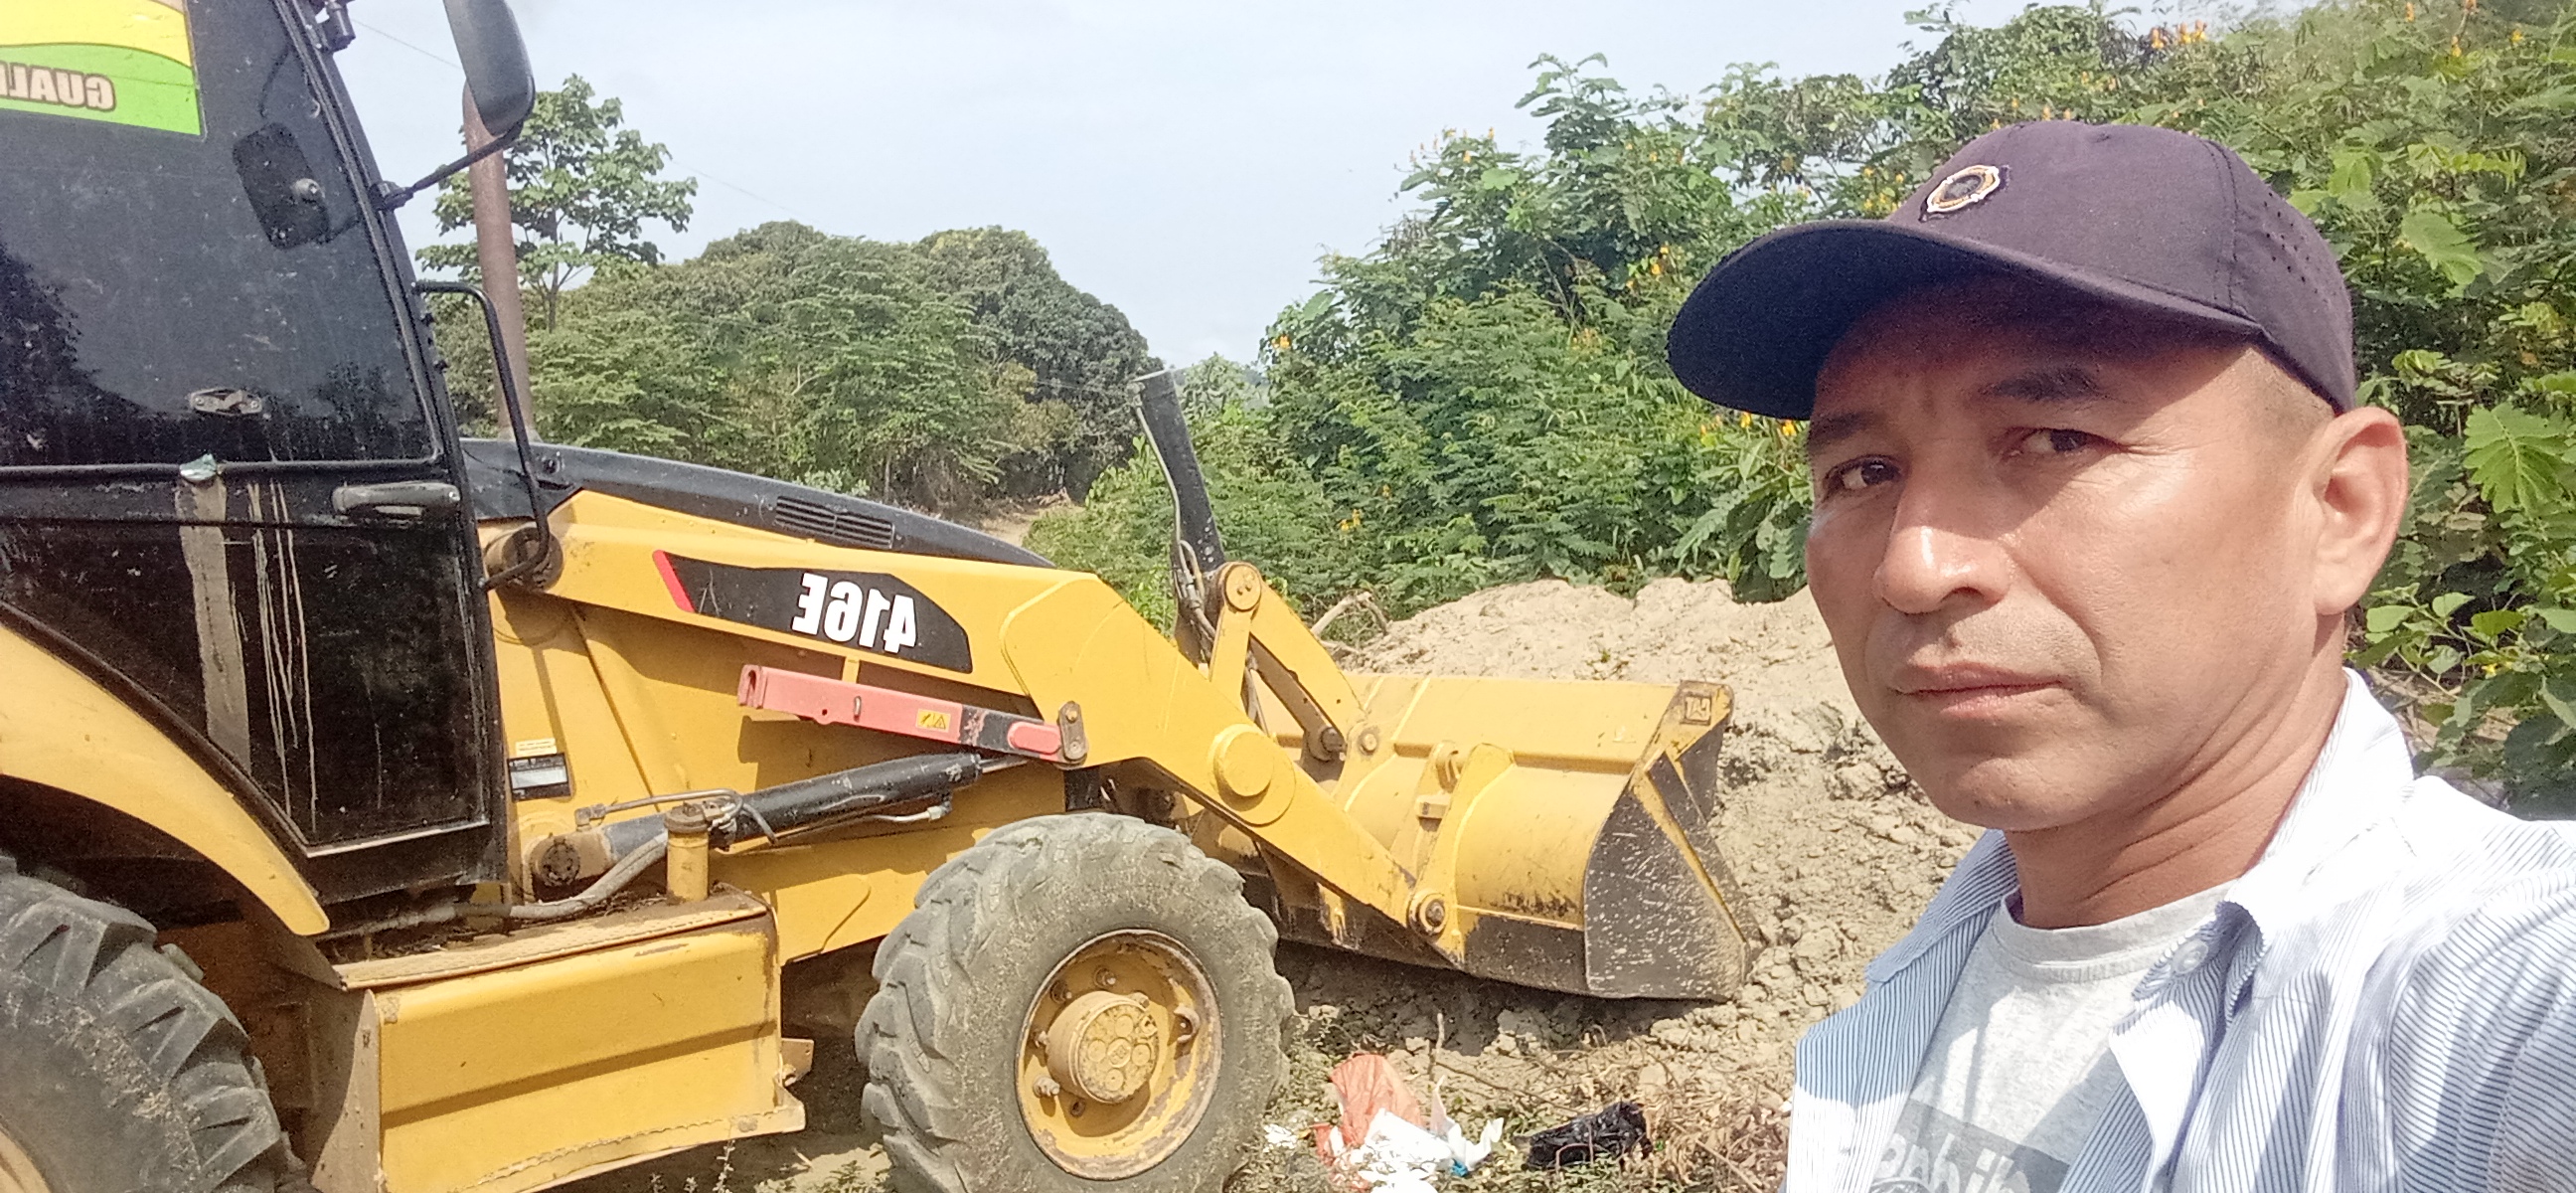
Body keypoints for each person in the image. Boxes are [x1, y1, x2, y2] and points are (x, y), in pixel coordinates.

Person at [1665, 120, 2576, 1193]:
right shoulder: (1953, 957)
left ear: (2339, 509)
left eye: (2056, 440)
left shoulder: (2499, 994)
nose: (1913, 568)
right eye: (1865, 473)